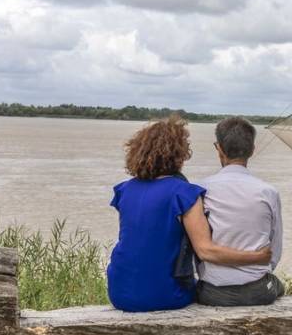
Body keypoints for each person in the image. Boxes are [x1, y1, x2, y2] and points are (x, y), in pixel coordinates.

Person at [107, 116, 271, 312]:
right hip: (162, 295)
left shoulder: (125, 190)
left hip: (119, 291)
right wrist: (257, 257)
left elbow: (139, 240)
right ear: (179, 153)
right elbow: (206, 251)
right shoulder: (184, 193)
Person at [196, 116, 285, 306]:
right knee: (279, 286)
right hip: (258, 291)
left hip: (212, 292)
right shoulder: (268, 192)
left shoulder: (201, 189)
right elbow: (275, 250)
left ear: (218, 148)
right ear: (252, 150)